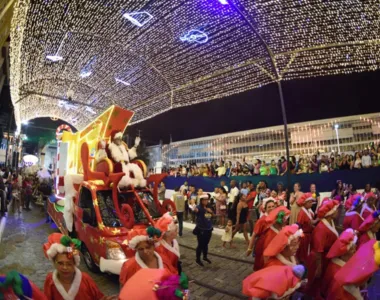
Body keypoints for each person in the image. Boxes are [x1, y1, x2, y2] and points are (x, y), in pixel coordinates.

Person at [43, 233, 110, 300]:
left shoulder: (85, 280)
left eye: (69, 264)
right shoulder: (50, 281)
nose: (65, 267)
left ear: (74, 264)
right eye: (60, 263)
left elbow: (99, 297)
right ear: (54, 263)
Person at [305, 199, 339, 298]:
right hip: (318, 259)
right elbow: (318, 249)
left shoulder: (330, 222)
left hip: (325, 257)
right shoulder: (321, 228)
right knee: (315, 282)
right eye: (335, 210)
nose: (337, 212)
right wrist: (319, 267)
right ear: (330, 213)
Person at [321, 228, 358, 297]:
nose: (355, 251)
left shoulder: (336, 263)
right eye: (352, 249)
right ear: (344, 253)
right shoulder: (337, 272)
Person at [252, 206, 291, 271]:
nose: (287, 222)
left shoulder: (278, 229)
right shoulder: (271, 235)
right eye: (286, 219)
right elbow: (266, 255)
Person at [242, 265, 307, 300]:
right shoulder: (288, 280)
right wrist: (295, 287)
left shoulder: (285, 269)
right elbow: (276, 296)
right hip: (261, 291)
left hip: (258, 281)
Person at [296, 193, 318, 263]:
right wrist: (301, 238)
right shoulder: (302, 213)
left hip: (308, 235)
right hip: (304, 236)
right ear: (305, 203)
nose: (311, 203)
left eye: (312, 202)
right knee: (302, 254)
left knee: (306, 253)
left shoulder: (309, 211)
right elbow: (299, 226)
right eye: (310, 202)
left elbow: (309, 223)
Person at [193, 194, 214, 266]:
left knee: (206, 244)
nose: (206, 201)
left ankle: (205, 257)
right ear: (201, 201)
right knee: (200, 245)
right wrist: (194, 208)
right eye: (204, 200)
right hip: (201, 229)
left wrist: (210, 211)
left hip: (209, 228)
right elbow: (196, 210)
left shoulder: (209, 206)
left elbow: (212, 216)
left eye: (207, 199)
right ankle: (198, 259)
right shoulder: (199, 207)